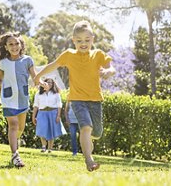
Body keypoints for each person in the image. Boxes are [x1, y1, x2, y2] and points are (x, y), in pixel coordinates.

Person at [34, 20, 115, 172]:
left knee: (96, 132)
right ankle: (89, 161)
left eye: (87, 40)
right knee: (85, 127)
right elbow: (53, 65)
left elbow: (111, 68)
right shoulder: (69, 55)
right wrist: (38, 76)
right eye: (79, 41)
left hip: (95, 100)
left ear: (92, 39)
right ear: (73, 40)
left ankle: (87, 143)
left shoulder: (98, 55)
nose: (83, 43)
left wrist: (108, 72)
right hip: (77, 100)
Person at [0, 32, 42, 168]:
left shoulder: (27, 60)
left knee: (20, 128)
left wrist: (41, 82)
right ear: (6, 47)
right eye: (11, 44)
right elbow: (0, 78)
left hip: (22, 98)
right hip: (8, 98)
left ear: (21, 45)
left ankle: (15, 141)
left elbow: (35, 76)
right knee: (13, 125)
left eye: (16, 44)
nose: (14, 47)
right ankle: (15, 155)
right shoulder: (3, 63)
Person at [32, 78, 66, 153]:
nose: (49, 84)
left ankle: (50, 148)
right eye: (48, 82)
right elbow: (36, 106)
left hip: (53, 112)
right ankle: (44, 146)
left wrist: (58, 116)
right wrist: (33, 116)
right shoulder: (38, 94)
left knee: (51, 131)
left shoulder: (56, 93)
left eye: (51, 83)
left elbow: (59, 105)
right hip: (42, 112)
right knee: (42, 129)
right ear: (43, 83)